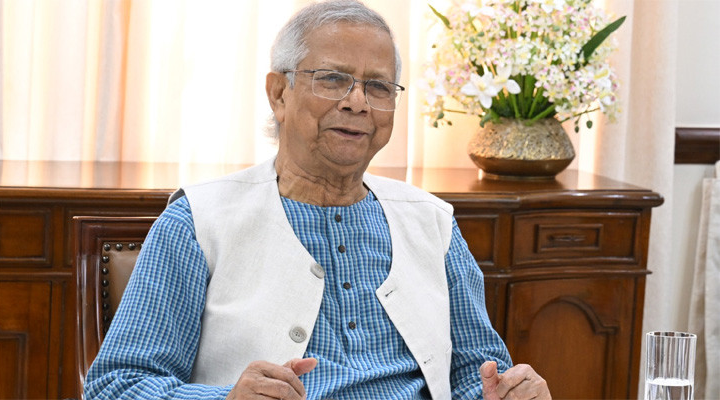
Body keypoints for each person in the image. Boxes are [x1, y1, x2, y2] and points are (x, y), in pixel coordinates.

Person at [84, 1, 551, 399]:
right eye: (332, 79)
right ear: (278, 94)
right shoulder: (197, 222)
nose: (357, 102)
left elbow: (475, 373)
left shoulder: (433, 223)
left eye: (378, 86)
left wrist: (505, 392)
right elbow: (116, 386)